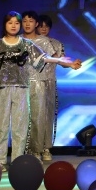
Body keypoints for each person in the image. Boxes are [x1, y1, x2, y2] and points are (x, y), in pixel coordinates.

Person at [0, 11, 81, 171]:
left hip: (22, 89)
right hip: (2, 89)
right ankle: (0, 161)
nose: (14, 26)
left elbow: (42, 58)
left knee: (20, 127)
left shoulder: (26, 44)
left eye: (17, 23)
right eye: (11, 23)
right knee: (0, 127)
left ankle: (18, 160)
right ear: (5, 25)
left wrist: (62, 61)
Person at [26, 12, 66, 162]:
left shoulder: (56, 44)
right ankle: (33, 148)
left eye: (46, 26)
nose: (43, 29)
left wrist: (70, 64)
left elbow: (62, 61)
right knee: (34, 117)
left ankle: (46, 148)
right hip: (32, 82)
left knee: (47, 116)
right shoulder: (29, 42)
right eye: (41, 26)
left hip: (49, 83)